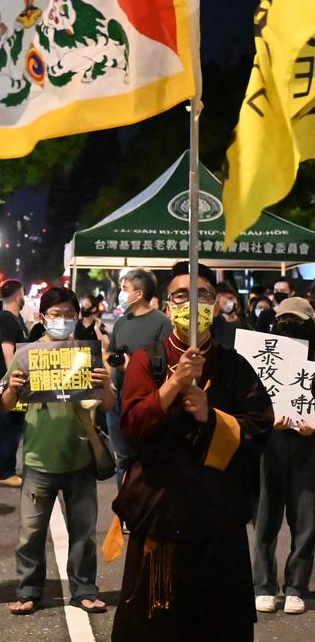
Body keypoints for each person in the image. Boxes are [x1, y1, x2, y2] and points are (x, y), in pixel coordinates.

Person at [111, 261, 274, 642]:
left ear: (216, 305)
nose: (192, 303)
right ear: (168, 307)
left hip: (219, 524)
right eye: (182, 296)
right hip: (161, 522)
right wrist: (173, 386)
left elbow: (258, 430)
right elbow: (132, 427)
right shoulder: (146, 361)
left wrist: (210, 416)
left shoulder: (234, 366)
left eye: (203, 295)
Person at [0, 287, 115, 615]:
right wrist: (14, 388)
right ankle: (28, 589)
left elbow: (108, 402)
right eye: (55, 315)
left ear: (77, 317)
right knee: (30, 533)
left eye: (68, 315)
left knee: (84, 532)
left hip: (80, 457)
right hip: (38, 458)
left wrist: (106, 383)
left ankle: (84, 589)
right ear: (42, 317)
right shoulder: (27, 356)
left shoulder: (87, 354)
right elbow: (5, 404)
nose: (62, 321)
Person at [252, 297, 315, 615]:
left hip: (308, 448)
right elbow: (249, 404)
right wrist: (267, 420)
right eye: (285, 321)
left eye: (299, 322)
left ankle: (295, 586)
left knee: (306, 520)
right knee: (266, 517)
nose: (291, 328)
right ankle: (263, 584)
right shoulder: (262, 357)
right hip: (271, 444)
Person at [105, 268, 171, 489]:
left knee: (146, 458)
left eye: (124, 289)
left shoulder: (162, 323)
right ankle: (125, 510)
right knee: (122, 459)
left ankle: (147, 511)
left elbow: (165, 365)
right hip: (118, 401)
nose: (120, 293)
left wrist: (133, 365)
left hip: (146, 403)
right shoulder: (122, 322)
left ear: (139, 294)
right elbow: (112, 353)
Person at [0, 279, 28, 488]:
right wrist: (16, 377)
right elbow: (8, 351)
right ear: (18, 296)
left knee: (3, 427)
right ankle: (6, 472)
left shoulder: (8, 318)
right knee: (11, 426)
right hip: (8, 381)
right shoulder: (8, 319)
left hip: (3, 380)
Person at [211, 282, 251, 348]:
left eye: (230, 298)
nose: (227, 302)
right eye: (221, 299)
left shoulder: (243, 321)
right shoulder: (214, 321)